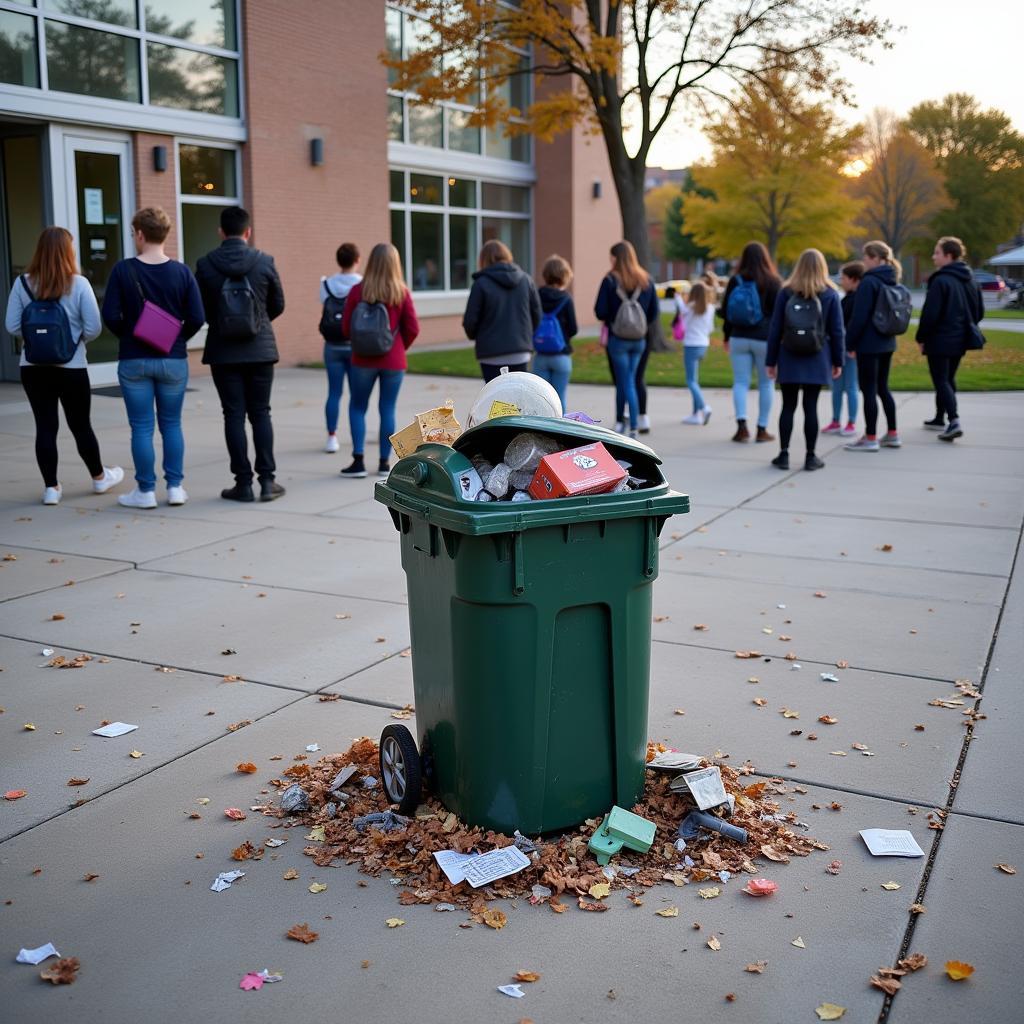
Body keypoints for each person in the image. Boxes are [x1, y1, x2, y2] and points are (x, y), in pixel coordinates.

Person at [5, 227, 123, 506]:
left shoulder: (22, 283)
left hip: (33, 367)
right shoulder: (79, 284)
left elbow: (11, 325)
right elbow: (94, 327)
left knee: (45, 426)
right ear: (68, 252)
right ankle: (98, 478)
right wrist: (74, 339)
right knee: (81, 425)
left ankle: (51, 488)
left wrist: (36, 337)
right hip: (71, 366)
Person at [101, 207, 204, 508]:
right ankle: (175, 488)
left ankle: (145, 491)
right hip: (173, 360)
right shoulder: (182, 272)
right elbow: (197, 317)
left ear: (141, 234)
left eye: (133, 233)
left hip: (134, 359)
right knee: (171, 424)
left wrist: (130, 336)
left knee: (142, 427)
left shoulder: (123, 269)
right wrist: (176, 338)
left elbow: (109, 314)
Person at [196, 206, 286, 502]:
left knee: (233, 414)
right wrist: (257, 322)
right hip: (260, 350)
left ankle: (243, 484)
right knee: (261, 413)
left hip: (223, 352)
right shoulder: (264, 262)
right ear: (248, 232)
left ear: (221, 232)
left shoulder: (206, 264)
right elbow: (278, 304)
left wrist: (223, 324)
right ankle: (268, 482)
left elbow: (202, 309)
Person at [339, 242, 419, 479]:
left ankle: (358, 460)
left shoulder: (357, 291)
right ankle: (384, 463)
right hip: (393, 361)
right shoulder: (401, 292)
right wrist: (398, 347)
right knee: (387, 408)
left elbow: (345, 328)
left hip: (362, 359)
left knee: (357, 406)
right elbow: (413, 328)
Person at [765, 248, 845, 471]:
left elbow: (775, 329)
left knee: (788, 407)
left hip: (789, 356)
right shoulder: (830, 294)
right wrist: (838, 361)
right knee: (811, 407)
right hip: (817, 357)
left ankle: (783, 455)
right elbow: (837, 332)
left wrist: (771, 361)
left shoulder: (786, 292)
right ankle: (811, 457)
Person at [916, 236, 984, 442]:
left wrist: (921, 337)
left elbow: (930, 314)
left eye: (937, 252)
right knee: (948, 378)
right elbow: (979, 312)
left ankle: (953, 420)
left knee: (941, 379)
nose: (933, 256)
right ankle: (939, 417)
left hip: (940, 339)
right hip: (961, 338)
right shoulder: (970, 279)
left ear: (949, 255)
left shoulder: (940, 280)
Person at [594, 240, 659, 438]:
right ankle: (621, 421)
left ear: (616, 257)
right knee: (627, 379)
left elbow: (600, 311)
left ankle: (630, 426)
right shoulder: (646, 280)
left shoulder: (610, 280)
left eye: (611, 256)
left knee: (626, 381)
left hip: (618, 339)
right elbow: (654, 312)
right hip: (639, 339)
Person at [844, 240, 903, 452]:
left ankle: (870, 437)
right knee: (882, 388)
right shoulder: (891, 279)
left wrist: (849, 342)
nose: (863, 261)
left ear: (876, 259)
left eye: (866, 257)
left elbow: (859, 318)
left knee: (868, 390)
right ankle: (893, 433)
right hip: (887, 341)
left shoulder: (869, 282)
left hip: (868, 344)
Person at [718, 242, 780, 442]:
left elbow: (726, 312)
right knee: (766, 383)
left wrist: (727, 336)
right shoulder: (773, 281)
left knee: (741, 382)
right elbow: (779, 316)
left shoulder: (735, 281)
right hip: (764, 339)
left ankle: (742, 427)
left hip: (739, 336)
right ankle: (762, 429)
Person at [463, 240, 541, 381]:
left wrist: (479, 336)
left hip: (490, 352)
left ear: (483, 259)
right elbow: (537, 315)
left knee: (496, 398)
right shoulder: (526, 280)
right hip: (521, 350)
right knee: (519, 396)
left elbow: (470, 320)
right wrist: (526, 334)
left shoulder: (480, 284)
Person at [320, 242, 362, 453]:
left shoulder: (326, 284)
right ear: (357, 260)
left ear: (338, 260)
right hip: (355, 346)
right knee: (358, 397)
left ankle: (331, 437)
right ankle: (359, 433)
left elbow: (323, 304)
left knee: (334, 392)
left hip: (332, 345)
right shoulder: (362, 284)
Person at [532, 254, 578, 412]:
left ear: (545, 274)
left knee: (540, 399)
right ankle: (560, 433)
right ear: (565, 275)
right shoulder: (566, 299)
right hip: (561, 356)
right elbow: (573, 329)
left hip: (541, 355)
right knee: (559, 398)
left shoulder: (536, 296)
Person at [821, 260, 863, 436]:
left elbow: (855, 326)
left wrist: (852, 346)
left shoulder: (858, 301)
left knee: (851, 386)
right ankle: (836, 420)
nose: (841, 281)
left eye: (844, 278)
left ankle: (851, 423)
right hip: (838, 350)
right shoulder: (845, 299)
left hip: (851, 350)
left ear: (854, 279)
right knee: (837, 386)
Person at [680, 281, 714, 425]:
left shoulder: (690, 308)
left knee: (691, 381)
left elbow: (683, 324)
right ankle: (696, 414)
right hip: (703, 345)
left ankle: (703, 408)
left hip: (691, 345)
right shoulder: (710, 308)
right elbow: (710, 328)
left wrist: (678, 299)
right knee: (695, 380)